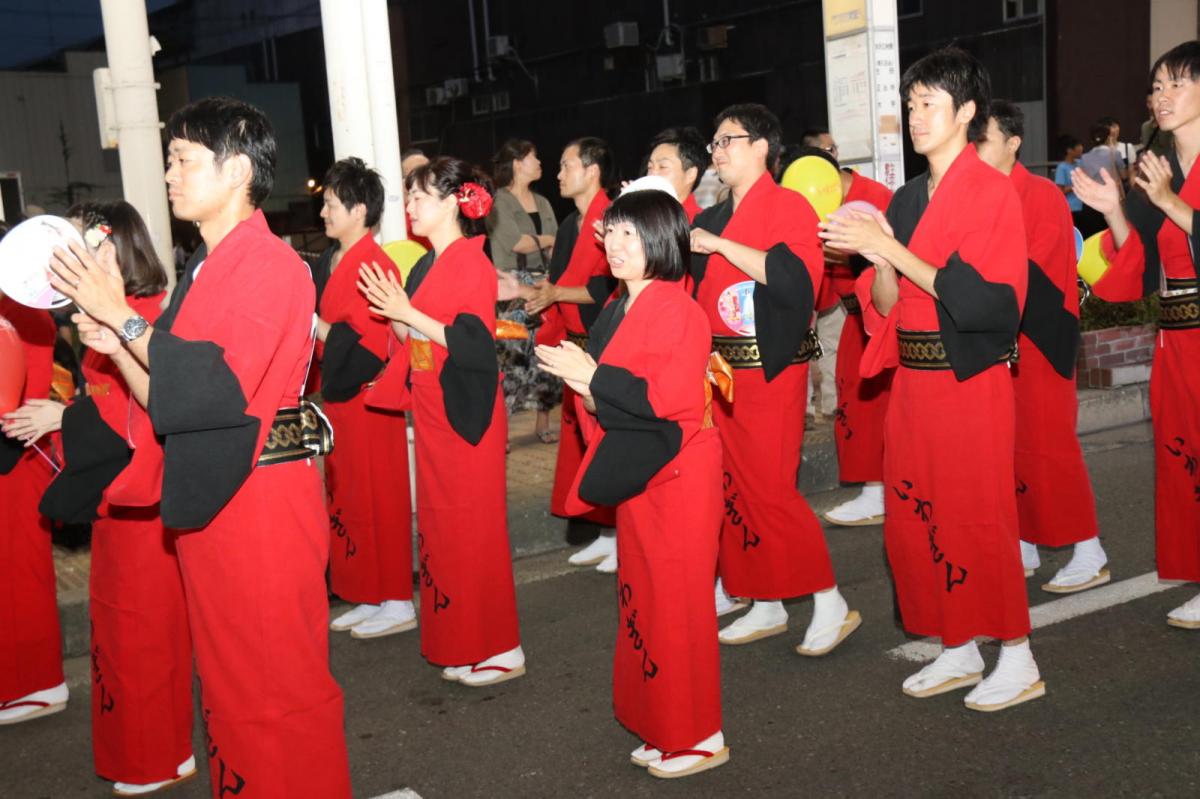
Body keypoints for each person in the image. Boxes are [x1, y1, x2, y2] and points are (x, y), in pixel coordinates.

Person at [50, 97, 352, 796]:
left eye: (184, 158)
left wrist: (124, 317)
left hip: (262, 504)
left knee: (275, 681)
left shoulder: (272, 263)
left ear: (238, 169)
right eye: (170, 160)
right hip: (221, 494)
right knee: (229, 680)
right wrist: (118, 344)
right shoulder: (206, 268)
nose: (170, 174)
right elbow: (169, 399)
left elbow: (215, 388)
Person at [822, 47, 1043, 712]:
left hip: (969, 384)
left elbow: (990, 304)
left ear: (967, 113)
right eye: (911, 103)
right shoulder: (910, 196)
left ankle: (1017, 653)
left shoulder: (990, 190)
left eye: (929, 104)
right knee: (915, 520)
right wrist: (879, 250)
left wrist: (891, 247)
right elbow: (888, 303)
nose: (915, 116)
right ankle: (957, 643)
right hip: (913, 383)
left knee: (979, 518)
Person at [535, 185, 726, 778]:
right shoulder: (622, 305)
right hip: (644, 468)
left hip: (677, 471)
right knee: (644, 597)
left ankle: (698, 733)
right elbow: (616, 397)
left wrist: (591, 379)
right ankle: (662, 721)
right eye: (611, 232)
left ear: (663, 241)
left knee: (678, 604)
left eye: (630, 234)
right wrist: (589, 382)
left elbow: (665, 401)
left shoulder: (676, 306)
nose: (615, 245)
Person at [7, 202, 196, 793]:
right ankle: (150, 751)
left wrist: (64, 415)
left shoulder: (146, 316)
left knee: (145, 632)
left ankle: (158, 756)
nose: (77, 263)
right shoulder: (100, 321)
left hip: (147, 494)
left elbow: (150, 407)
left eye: (88, 250)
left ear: (118, 253)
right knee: (120, 631)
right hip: (118, 495)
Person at [690, 103, 860, 653]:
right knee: (733, 488)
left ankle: (829, 600)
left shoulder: (787, 206)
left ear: (762, 146)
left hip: (769, 367)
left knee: (770, 489)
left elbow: (795, 282)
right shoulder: (711, 215)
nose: (718, 152)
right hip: (719, 372)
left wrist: (721, 248)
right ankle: (763, 599)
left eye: (728, 140)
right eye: (713, 143)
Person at [358, 157, 525, 686]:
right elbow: (419, 340)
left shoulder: (471, 262)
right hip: (432, 411)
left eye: (419, 197)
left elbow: (473, 343)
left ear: (453, 201)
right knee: (443, 531)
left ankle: (502, 646)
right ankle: (463, 641)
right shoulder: (427, 263)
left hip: (463, 411)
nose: (409, 207)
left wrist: (406, 313)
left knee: (474, 532)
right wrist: (394, 313)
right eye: (408, 198)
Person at [1072, 40, 1200, 629]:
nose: (1162, 96)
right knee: (1183, 461)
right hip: (1175, 344)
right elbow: (1137, 268)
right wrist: (1116, 212)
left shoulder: (1167, 180)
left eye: (1176, 83)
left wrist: (1170, 201)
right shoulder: (1159, 166)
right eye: (1156, 86)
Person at [976, 101, 1108, 593]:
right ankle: (1025, 541)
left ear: (1013, 143)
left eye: (982, 138)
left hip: (1041, 337)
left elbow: (1030, 275)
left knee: (1050, 447)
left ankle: (1089, 549)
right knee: (1009, 447)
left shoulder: (1040, 195)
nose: (973, 149)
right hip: (1003, 339)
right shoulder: (985, 195)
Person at [312, 157, 415, 639]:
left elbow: (371, 347)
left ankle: (396, 597)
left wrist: (310, 325)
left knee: (381, 499)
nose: (324, 213)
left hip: (369, 401)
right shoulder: (337, 260)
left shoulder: (374, 263)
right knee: (351, 498)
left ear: (358, 210)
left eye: (332, 203)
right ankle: (370, 592)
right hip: (344, 402)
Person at [525, 137, 619, 572]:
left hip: (604, 344)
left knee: (608, 440)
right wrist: (543, 296)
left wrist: (557, 292)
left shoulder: (613, 218)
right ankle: (605, 530)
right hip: (574, 345)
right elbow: (557, 279)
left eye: (565, 165)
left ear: (592, 170)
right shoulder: (568, 225)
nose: (558, 174)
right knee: (583, 442)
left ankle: (620, 530)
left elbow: (609, 288)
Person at [799, 140, 897, 528]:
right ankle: (873, 489)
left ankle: (882, 491)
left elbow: (893, 257)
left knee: (876, 402)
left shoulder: (876, 198)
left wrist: (853, 257)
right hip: (852, 313)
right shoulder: (812, 206)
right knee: (854, 399)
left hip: (882, 313)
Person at [0, 241, 64, 728]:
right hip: (17, 450)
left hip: (20, 454)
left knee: (23, 574)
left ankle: (39, 682)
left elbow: (20, 394)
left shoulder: (22, 313)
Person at [486, 138, 561, 442]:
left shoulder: (542, 202)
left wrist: (544, 243)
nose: (540, 163)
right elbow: (515, 243)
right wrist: (546, 240)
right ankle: (502, 431)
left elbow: (557, 240)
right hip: (511, 289)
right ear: (517, 163)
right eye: (534, 157)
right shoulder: (499, 201)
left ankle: (542, 423)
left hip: (542, 283)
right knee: (511, 354)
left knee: (545, 352)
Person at [1076, 117, 1128, 237]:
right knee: (1111, 235)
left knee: (1092, 236)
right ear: (1108, 137)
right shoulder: (1115, 153)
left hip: (1089, 203)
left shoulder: (1084, 157)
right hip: (1109, 200)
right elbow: (1124, 176)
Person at [645, 126, 709, 223]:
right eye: (650, 167)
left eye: (662, 167)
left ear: (690, 174)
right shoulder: (642, 214)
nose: (652, 175)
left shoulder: (700, 225)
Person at [1053, 134, 1086, 231]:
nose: (1081, 148)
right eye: (1077, 146)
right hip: (1071, 209)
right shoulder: (1062, 167)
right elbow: (1060, 190)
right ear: (1069, 150)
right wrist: (1076, 185)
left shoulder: (1080, 163)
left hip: (1083, 206)